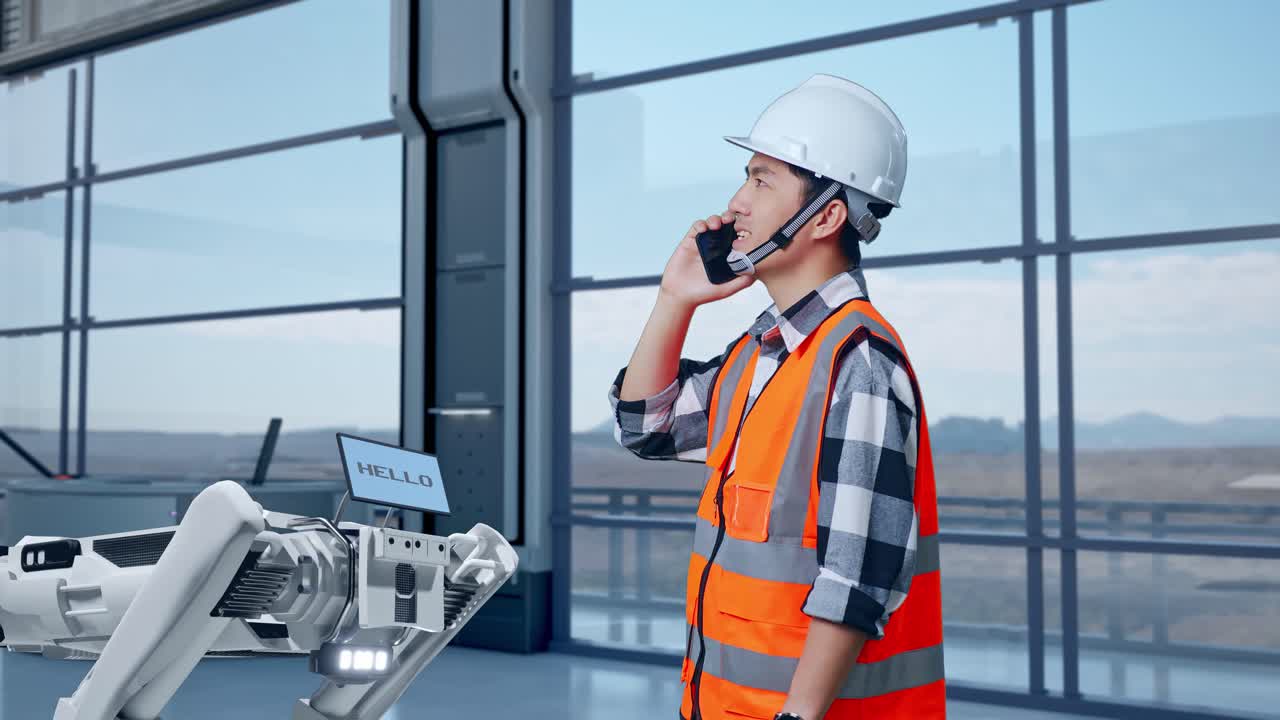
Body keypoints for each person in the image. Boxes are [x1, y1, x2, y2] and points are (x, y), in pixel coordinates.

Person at [607, 74, 945, 720]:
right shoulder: (760, 356)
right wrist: (674, 298)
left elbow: (856, 583)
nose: (736, 202)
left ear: (826, 216)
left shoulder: (860, 364)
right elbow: (643, 424)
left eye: (762, 180)